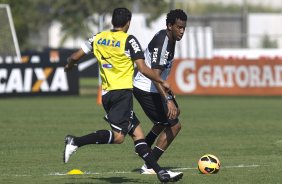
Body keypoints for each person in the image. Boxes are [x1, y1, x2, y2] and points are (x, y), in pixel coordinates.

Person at [63, 7, 183, 182]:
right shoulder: (129, 41)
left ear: (113, 21)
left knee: (139, 136)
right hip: (122, 95)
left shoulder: (98, 37)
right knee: (119, 137)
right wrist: (162, 81)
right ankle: (75, 142)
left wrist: (70, 65)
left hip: (107, 95)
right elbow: (142, 68)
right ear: (128, 23)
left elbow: (74, 56)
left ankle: (160, 172)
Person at [133, 9, 187, 174]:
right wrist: (168, 99)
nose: (182, 31)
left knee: (173, 114)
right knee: (175, 125)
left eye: (184, 28)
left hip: (153, 87)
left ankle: (146, 145)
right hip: (146, 89)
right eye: (179, 27)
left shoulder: (169, 37)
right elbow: (155, 76)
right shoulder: (163, 42)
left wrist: (168, 97)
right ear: (170, 26)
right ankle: (150, 164)